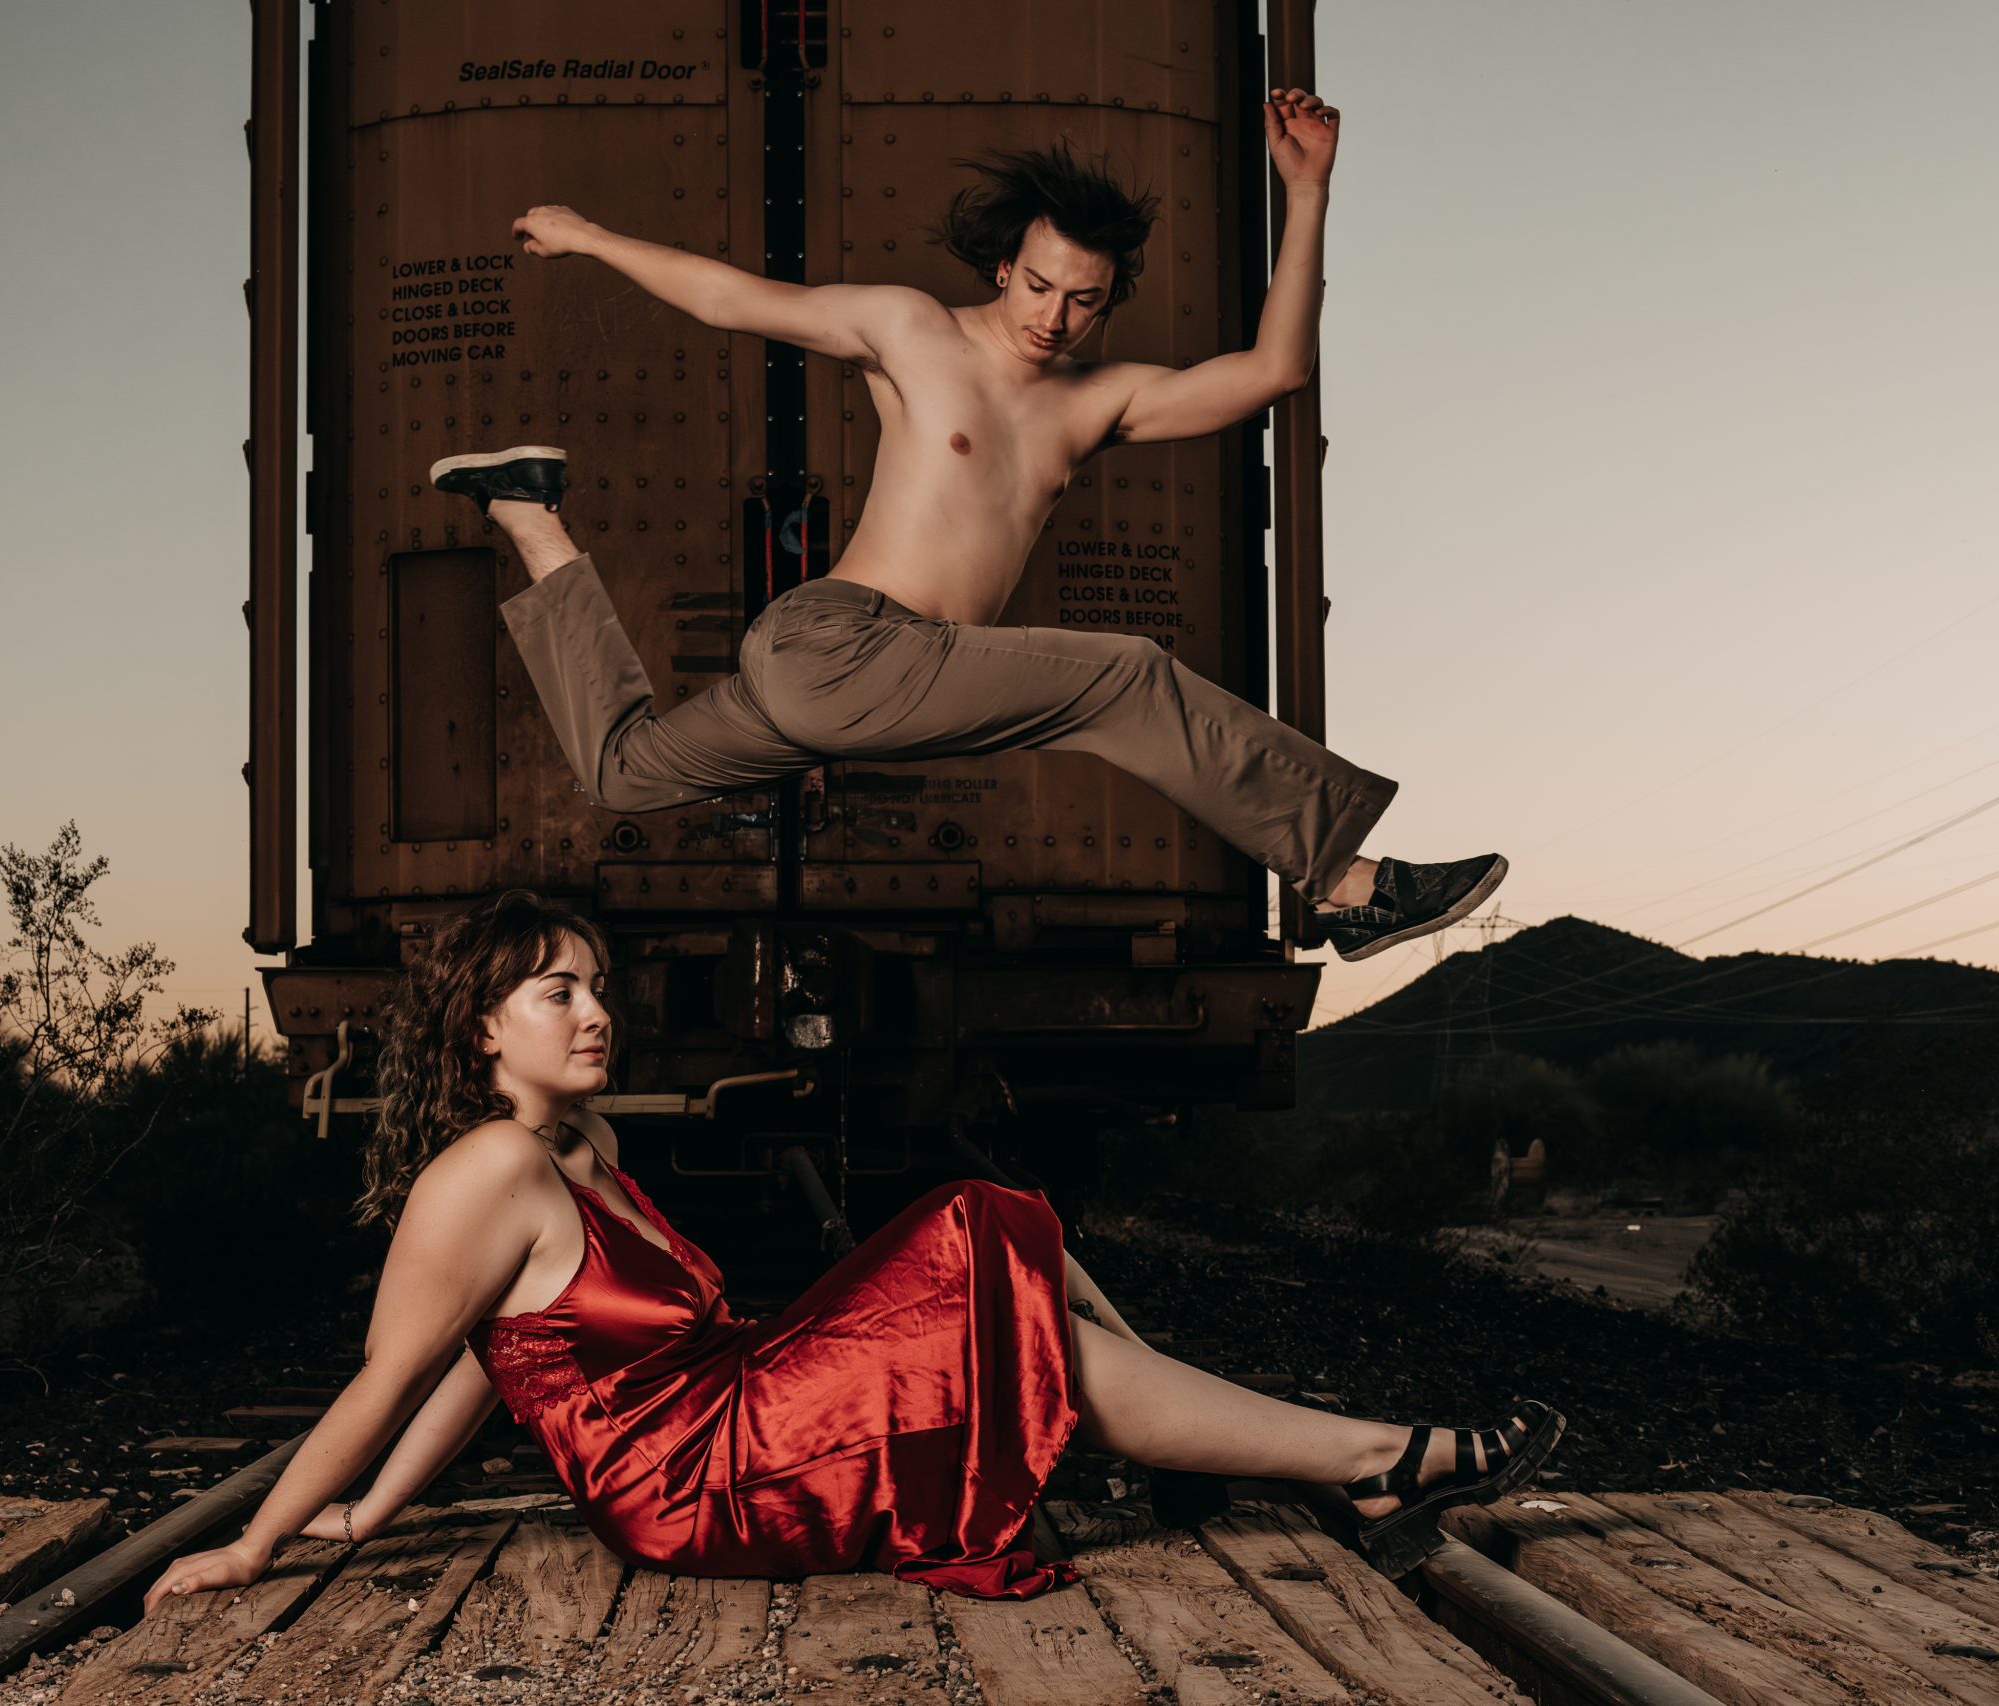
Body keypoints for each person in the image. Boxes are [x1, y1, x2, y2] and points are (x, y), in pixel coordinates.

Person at [142, 892, 1562, 1612]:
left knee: (990, 1235)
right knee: (988, 1253)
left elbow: (494, 1364)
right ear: (479, 1027)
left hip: (741, 1403)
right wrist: (269, 1540)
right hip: (694, 1476)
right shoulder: (486, 1171)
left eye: (598, 986)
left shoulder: (582, 1145)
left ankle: (1323, 1453)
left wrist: (371, 1514)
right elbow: (397, 1374)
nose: (596, 1012)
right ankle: (1358, 1455)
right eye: (556, 991)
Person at [426, 91, 1504, 962]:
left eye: (1082, 300)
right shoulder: (913, 330)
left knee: (624, 772)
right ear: (1003, 267)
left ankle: (527, 511)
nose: (1052, 316)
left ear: (1108, 301)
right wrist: (587, 236)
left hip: (875, 681)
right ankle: (1348, 881)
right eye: (1037, 285)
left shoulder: (1097, 401)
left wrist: (1307, 192)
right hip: (841, 642)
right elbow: (731, 300)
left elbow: (1275, 370)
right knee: (1127, 679)